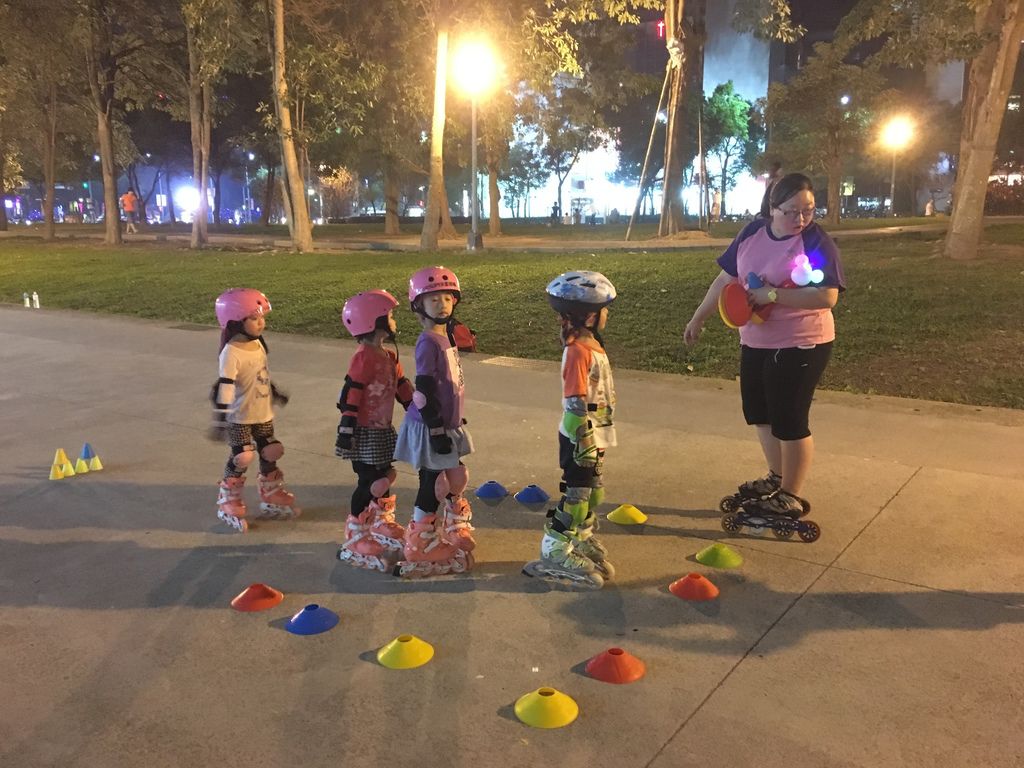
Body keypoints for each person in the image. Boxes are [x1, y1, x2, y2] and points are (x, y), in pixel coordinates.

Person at [683, 173, 845, 527]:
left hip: (803, 341)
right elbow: (726, 279)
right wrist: (698, 318)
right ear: (772, 208)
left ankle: (790, 495)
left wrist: (772, 294)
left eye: (808, 210)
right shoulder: (751, 233)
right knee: (760, 413)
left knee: (789, 418)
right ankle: (776, 476)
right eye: (792, 211)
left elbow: (827, 296)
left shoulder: (815, 240)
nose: (801, 218)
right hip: (755, 340)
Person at [523, 271, 618, 589]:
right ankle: (554, 549)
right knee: (577, 497)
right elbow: (575, 400)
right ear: (589, 316)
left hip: (596, 433)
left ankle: (579, 537)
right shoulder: (578, 350)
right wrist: (583, 440)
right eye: (604, 309)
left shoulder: (593, 345)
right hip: (580, 436)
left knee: (594, 493)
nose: (607, 314)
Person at [392, 266, 475, 577]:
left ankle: (452, 524)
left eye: (447, 298)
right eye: (434, 299)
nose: (442, 304)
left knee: (456, 476)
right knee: (434, 482)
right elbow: (424, 392)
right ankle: (419, 542)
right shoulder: (428, 342)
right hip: (431, 424)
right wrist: (437, 429)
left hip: (446, 422)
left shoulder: (445, 336)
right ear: (418, 305)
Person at [335, 290, 415, 572]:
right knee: (370, 481)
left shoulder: (389, 356)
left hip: (382, 429)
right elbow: (352, 392)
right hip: (362, 431)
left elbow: (402, 387)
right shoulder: (363, 357)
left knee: (385, 474)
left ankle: (381, 520)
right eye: (389, 315)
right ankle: (355, 533)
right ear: (373, 321)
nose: (393, 320)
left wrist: (418, 410)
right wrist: (347, 427)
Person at [210, 288, 300, 532]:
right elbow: (225, 386)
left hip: (262, 412)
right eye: (254, 318)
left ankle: (270, 491)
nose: (261, 323)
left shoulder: (257, 344)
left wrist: (275, 393)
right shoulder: (231, 352)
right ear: (235, 321)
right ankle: (228, 497)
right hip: (239, 416)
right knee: (242, 456)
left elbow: (261, 376)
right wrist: (220, 419)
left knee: (271, 450)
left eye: (262, 317)